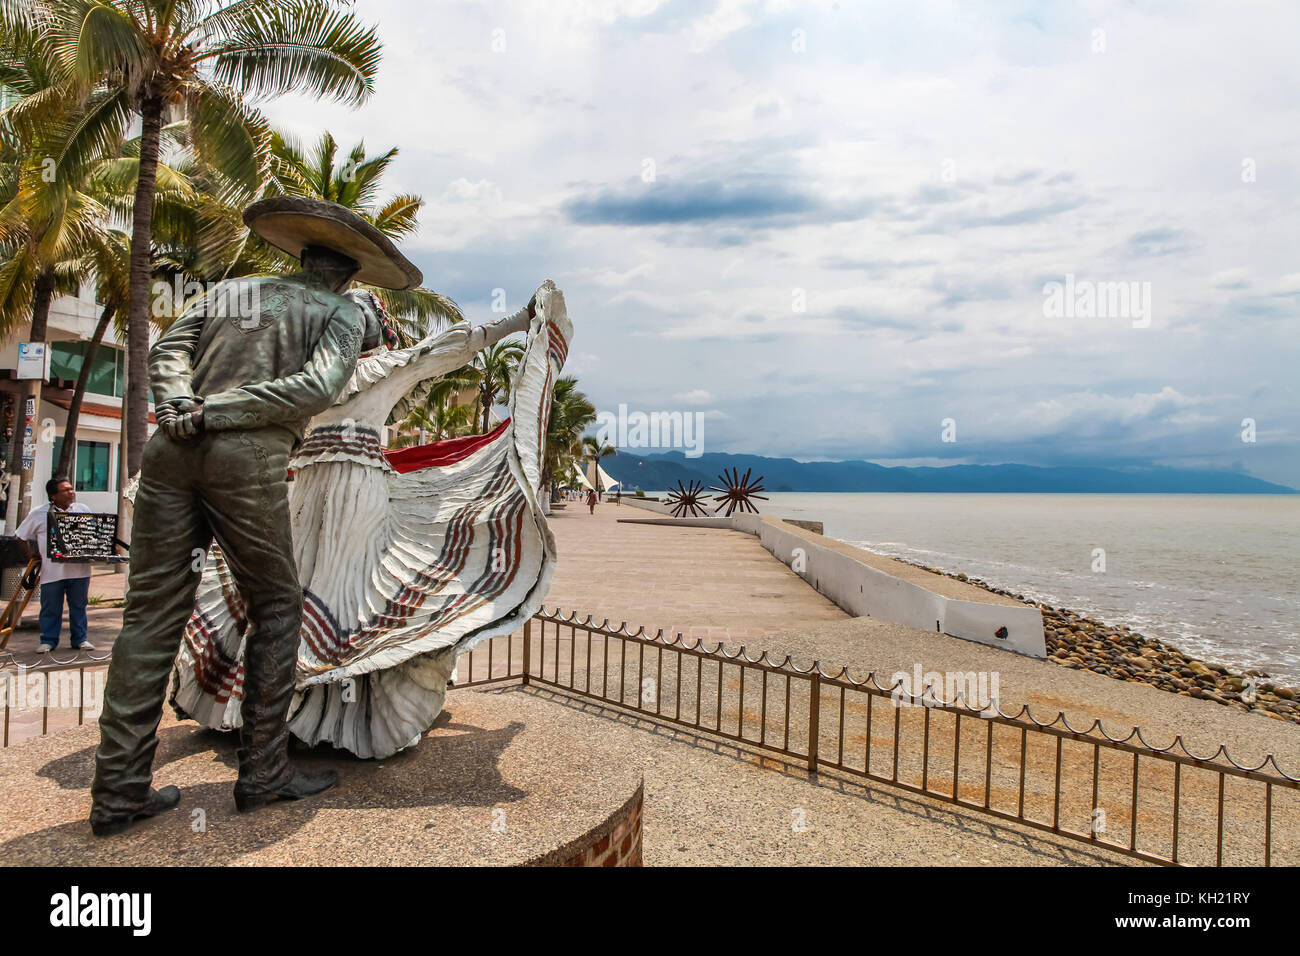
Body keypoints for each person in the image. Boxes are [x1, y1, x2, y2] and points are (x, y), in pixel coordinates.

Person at [89, 197, 422, 837]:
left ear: (300, 256)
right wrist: (219, 413)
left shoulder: (236, 291)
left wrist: (181, 403)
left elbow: (169, 349)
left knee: (151, 612)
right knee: (276, 605)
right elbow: (317, 389)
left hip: (171, 450)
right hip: (247, 455)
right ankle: (263, 770)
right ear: (351, 275)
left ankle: (118, 789)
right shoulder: (341, 313)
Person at [16, 476, 94, 653]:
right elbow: (21, 537)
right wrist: (33, 557)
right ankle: (48, 640)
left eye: (71, 488)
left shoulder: (83, 510)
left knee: (78, 606)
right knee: (50, 607)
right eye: (65, 490)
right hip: (52, 572)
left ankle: (80, 639)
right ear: (53, 496)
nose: (71, 492)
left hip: (79, 571)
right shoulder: (39, 513)